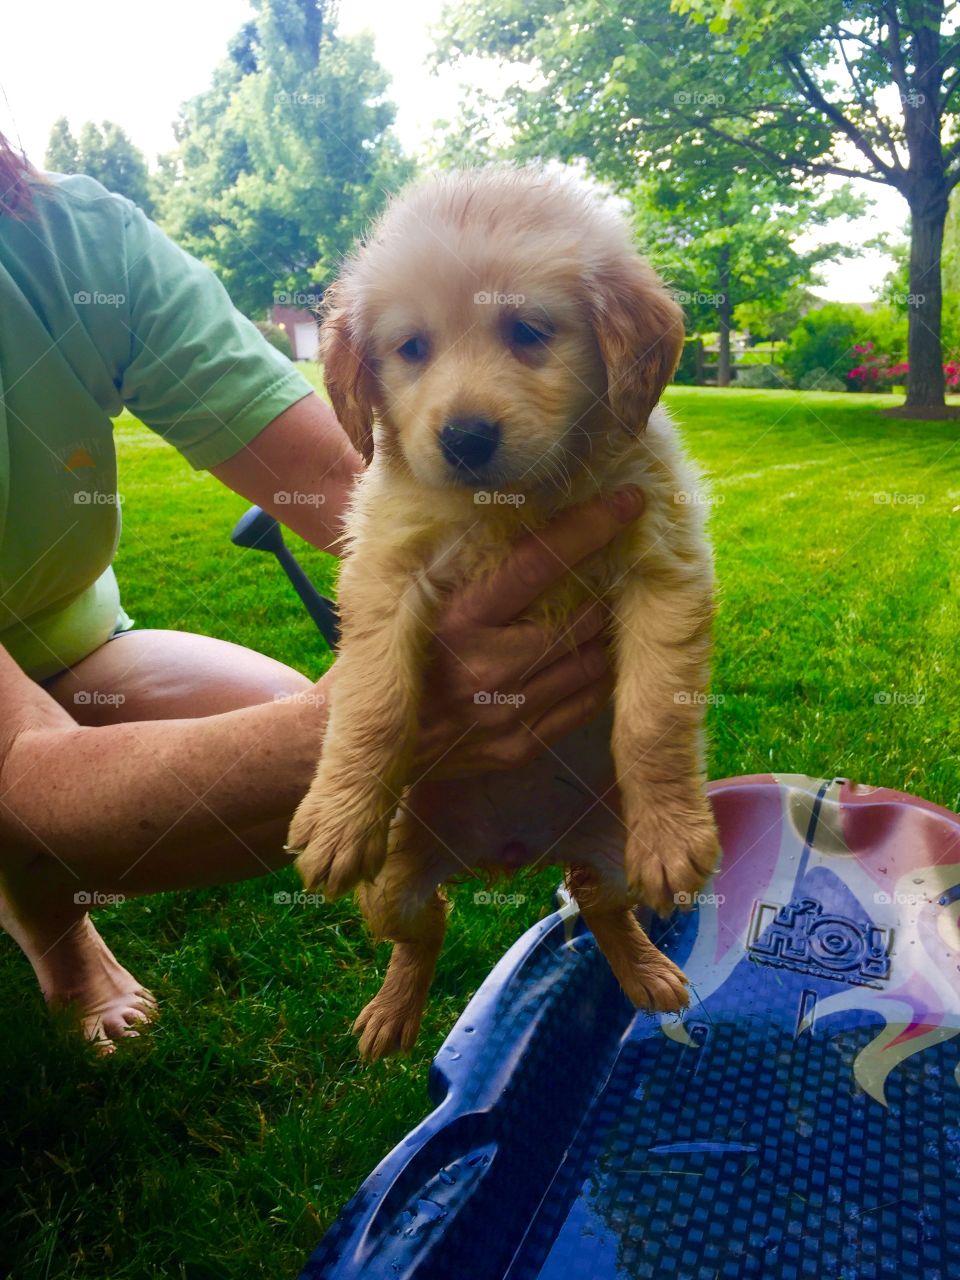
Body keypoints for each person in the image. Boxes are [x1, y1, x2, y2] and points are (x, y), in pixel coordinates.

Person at [0, 134, 641, 1046]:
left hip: (65, 633)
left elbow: (345, 488)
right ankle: (58, 935)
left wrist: (501, 600)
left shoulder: (67, 235)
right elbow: (15, 770)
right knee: (308, 768)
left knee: (274, 748)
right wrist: (367, 730)